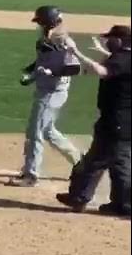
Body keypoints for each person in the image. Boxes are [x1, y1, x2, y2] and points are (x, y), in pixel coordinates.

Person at [56, 24, 131, 217]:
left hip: (117, 121)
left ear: (121, 40)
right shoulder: (123, 58)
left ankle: (83, 198)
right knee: (111, 161)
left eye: (111, 38)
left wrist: (76, 52)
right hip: (121, 120)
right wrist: (104, 53)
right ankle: (115, 203)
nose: (108, 41)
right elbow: (114, 68)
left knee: (106, 162)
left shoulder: (123, 59)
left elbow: (103, 72)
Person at [7, 5, 82, 187]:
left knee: (36, 132)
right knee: (47, 131)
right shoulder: (46, 38)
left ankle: (30, 175)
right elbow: (42, 60)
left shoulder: (63, 41)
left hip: (52, 92)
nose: (39, 25)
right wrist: (31, 72)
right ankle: (81, 163)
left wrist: (50, 71)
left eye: (41, 22)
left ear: (48, 22)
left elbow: (74, 68)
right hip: (45, 89)